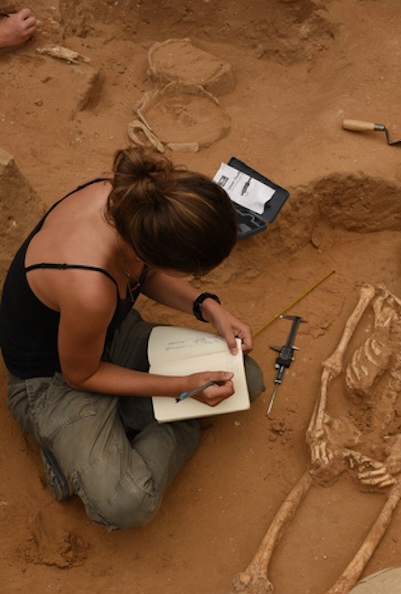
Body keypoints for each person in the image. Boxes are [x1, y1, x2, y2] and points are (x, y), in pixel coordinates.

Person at [0, 145, 264, 529]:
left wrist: (209, 307)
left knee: (246, 380)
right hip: (53, 380)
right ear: (153, 251)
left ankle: (121, 422)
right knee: (128, 503)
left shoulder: (135, 203)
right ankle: (84, 442)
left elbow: (145, 272)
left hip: (111, 333)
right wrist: (183, 386)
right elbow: (82, 376)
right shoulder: (89, 288)